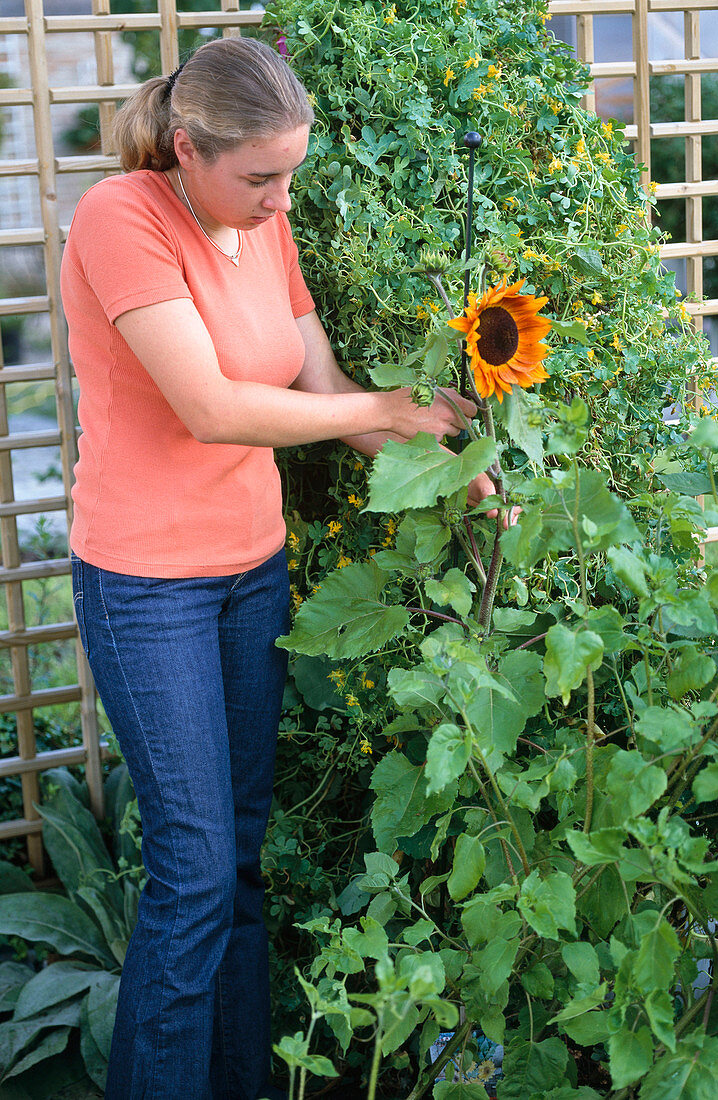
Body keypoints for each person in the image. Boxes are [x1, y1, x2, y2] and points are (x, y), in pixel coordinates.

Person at [60, 35, 488, 1100]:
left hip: (251, 570)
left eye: (291, 172)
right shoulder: (124, 219)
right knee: (196, 874)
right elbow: (211, 408)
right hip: (146, 584)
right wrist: (376, 407)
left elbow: (325, 386)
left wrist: (451, 458)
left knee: (240, 863)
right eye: (258, 177)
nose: (279, 199)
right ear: (186, 147)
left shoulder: (266, 227)